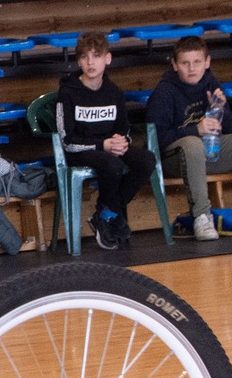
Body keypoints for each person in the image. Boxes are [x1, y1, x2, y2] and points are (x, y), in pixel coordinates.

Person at [146, 37, 232, 241]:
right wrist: (195, 129)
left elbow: (229, 130)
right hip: (174, 160)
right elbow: (157, 140)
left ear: (207, 62)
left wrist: (222, 109)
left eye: (197, 62)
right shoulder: (164, 92)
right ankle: (201, 216)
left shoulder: (210, 82)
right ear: (174, 65)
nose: (192, 69)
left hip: (208, 154)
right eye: (185, 63)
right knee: (193, 143)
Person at [54, 31, 157, 250]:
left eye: (96, 56)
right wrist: (102, 145)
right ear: (79, 61)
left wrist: (122, 141)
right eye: (84, 57)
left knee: (147, 160)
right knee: (112, 164)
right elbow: (67, 141)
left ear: (107, 59)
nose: (90, 62)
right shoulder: (68, 93)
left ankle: (106, 211)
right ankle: (111, 214)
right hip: (80, 151)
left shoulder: (114, 92)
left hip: (109, 148)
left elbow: (123, 129)